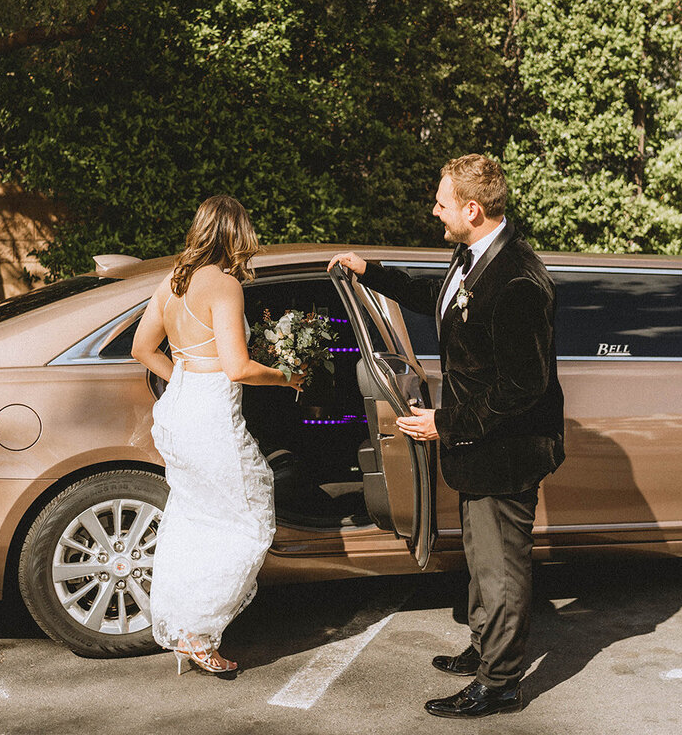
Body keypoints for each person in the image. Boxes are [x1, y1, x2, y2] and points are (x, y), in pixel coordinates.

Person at [329, 154, 564, 718]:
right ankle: (485, 647)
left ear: (473, 209)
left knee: (503, 568)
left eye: (442, 203)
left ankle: (501, 682)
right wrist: (372, 272)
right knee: (482, 557)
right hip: (477, 447)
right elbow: (440, 299)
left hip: (505, 451)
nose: (435, 211)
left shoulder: (518, 282)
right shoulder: (473, 255)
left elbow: (520, 388)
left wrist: (445, 423)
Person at [131, 194, 304, 677]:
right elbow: (239, 367)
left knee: (194, 517)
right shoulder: (224, 285)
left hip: (176, 411)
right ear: (237, 235)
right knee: (250, 523)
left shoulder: (172, 281)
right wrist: (287, 378)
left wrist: (183, 379)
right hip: (210, 417)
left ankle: (189, 627)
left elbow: (142, 348)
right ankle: (198, 630)